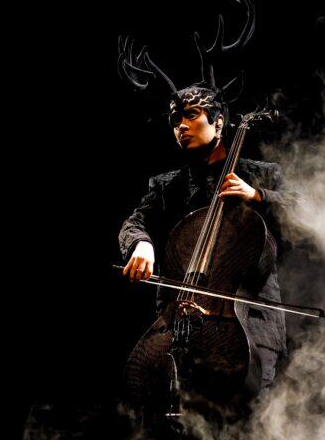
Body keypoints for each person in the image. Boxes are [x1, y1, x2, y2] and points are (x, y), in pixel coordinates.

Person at [118, 85, 290, 395]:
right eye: (174, 120)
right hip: (179, 326)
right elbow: (136, 221)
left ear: (219, 122)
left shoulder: (261, 175)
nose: (180, 126)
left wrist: (259, 195)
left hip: (249, 326)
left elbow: (307, 211)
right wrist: (140, 244)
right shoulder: (167, 186)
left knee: (249, 429)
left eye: (191, 115)